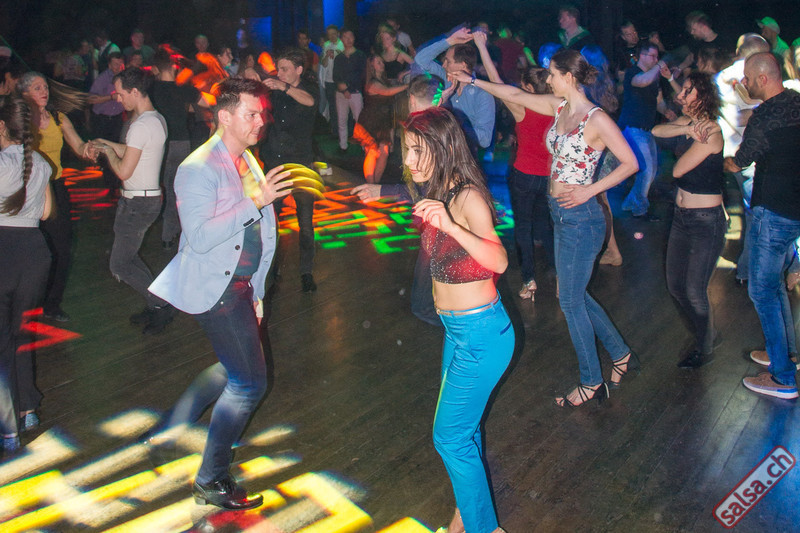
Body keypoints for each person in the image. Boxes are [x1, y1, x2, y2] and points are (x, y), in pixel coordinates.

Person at [451, 49, 639, 406]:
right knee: (576, 296)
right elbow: (514, 94)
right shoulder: (560, 107)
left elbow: (630, 162)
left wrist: (589, 190)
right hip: (560, 214)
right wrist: (473, 80)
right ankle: (621, 354)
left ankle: (591, 381)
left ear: (568, 76)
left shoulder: (596, 118)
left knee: (569, 301)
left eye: (552, 73)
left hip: (582, 219)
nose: (547, 79)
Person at [148, 77, 292, 509]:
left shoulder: (247, 158)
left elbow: (262, 233)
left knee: (233, 367)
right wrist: (256, 200)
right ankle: (210, 479)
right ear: (225, 117)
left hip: (242, 285)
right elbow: (200, 236)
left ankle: (173, 423)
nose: (260, 121)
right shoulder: (197, 168)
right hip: (219, 288)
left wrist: (259, 288)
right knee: (248, 382)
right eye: (251, 114)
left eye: (261, 113)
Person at [405, 106, 512, 533]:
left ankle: (485, 528)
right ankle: (465, 518)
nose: (409, 160)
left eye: (417, 151)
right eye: (407, 150)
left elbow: (498, 260)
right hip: (458, 331)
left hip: (482, 335)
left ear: (442, 147)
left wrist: (451, 227)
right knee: (463, 432)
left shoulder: (467, 198)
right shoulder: (441, 192)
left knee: (449, 437)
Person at [724, 53, 800, 399]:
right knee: (775, 286)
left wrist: (721, 160)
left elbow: (741, 161)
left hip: (773, 213)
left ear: (763, 78)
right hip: (794, 211)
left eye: (749, 78)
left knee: (761, 291)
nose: (745, 84)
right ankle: (784, 354)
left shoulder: (764, 116)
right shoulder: (797, 103)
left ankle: (784, 378)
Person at [351, 73, 445, 327]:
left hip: (439, 219)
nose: (409, 159)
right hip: (440, 216)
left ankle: (460, 331)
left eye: (414, 153)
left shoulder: (425, 130)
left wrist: (383, 191)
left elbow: (423, 190)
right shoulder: (443, 125)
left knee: (423, 303)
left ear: (411, 99)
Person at [91, 67, 174, 335]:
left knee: (119, 264)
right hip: (143, 200)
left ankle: (161, 305)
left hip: (138, 204)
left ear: (135, 92)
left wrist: (107, 152)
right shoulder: (156, 119)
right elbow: (134, 152)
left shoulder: (139, 126)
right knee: (129, 258)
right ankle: (155, 303)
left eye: (120, 93)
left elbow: (124, 171)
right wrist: (106, 143)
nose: (117, 99)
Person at [652, 72, 725, 369]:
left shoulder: (713, 132)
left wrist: (691, 130)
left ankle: (705, 346)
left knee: (694, 291)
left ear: (702, 95)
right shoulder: (691, 123)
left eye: (687, 91)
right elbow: (657, 130)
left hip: (706, 221)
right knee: (675, 286)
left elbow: (679, 170)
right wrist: (686, 127)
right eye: (681, 90)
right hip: (682, 217)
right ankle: (706, 332)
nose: (680, 95)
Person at [473, 30, 554, 300]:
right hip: (549, 177)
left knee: (523, 227)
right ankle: (557, 275)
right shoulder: (558, 106)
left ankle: (529, 280)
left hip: (524, 175)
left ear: (528, 89)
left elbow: (495, 81)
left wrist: (481, 46)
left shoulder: (522, 107)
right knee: (545, 226)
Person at [18, 72, 95, 322]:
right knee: (28, 247)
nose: (44, 91)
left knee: (61, 247)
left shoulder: (57, 117)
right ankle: (23, 300)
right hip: (27, 190)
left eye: (45, 87)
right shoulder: (18, 120)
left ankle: (52, 304)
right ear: (24, 93)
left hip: (55, 187)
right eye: (37, 88)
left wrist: (90, 148)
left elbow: (78, 146)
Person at [0, 96, 53, 456]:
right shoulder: (42, 163)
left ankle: (8, 430)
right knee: (19, 336)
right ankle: (28, 409)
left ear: (2, 126)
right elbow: (46, 212)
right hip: (34, 253)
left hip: (5, 250)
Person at [259, 48, 320, 292]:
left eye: (285, 69)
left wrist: (283, 87)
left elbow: (310, 101)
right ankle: (270, 272)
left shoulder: (309, 89)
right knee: (270, 221)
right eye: (278, 69)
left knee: (305, 222)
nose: (280, 73)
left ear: (299, 70)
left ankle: (306, 272)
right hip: (275, 163)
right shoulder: (274, 91)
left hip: (301, 164)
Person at [151, 48, 204, 249]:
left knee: (161, 188)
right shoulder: (184, 90)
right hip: (180, 143)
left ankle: (167, 233)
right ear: (174, 68)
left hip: (158, 143)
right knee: (178, 190)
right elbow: (209, 101)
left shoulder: (151, 90)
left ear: (156, 69)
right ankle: (172, 234)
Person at [414, 27, 495, 152]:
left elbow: (485, 139)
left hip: (465, 155)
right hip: (440, 151)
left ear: (463, 65)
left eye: (448, 62)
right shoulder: (445, 77)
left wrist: (453, 124)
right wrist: (451, 40)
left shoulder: (482, 94)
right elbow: (421, 59)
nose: (443, 65)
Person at [353, 55, 408, 183]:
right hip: (370, 121)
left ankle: (375, 184)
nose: (382, 64)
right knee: (372, 151)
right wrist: (407, 85)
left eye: (382, 62)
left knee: (384, 152)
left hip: (382, 121)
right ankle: (370, 184)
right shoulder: (372, 83)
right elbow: (387, 92)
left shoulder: (383, 80)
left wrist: (405, 73)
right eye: (378, 62)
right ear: (372, 66)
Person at [332, 29, 367, 153]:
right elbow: (335, 76)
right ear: (341, 39)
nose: (348, 39)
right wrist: (342, 88)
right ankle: (343, 146)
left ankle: (364, 146)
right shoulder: (339, 58)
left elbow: (361, 75)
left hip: (355, 92)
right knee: (342, 120)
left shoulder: (360, 56)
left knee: (359, 120)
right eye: (345, 37)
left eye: (350, 36)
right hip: (341, 93)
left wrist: (348, 88)